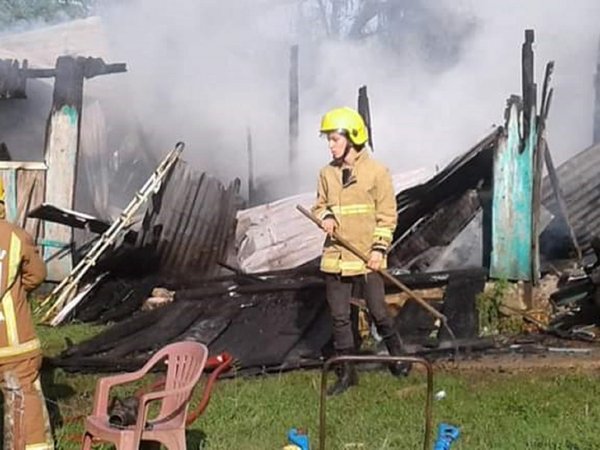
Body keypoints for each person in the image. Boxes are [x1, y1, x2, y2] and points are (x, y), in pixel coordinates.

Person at [312, 107, 411, 396]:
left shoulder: (377, 172)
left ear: (352, 138)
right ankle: (348, 373)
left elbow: (387, 216)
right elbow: (319, 205)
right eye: (328, 140)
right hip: (336, 258)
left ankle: (398, 356)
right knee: (340, 318)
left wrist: (379, 250)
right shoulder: (326, 174)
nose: (330, 146)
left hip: (367, 258)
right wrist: (325, 217)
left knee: (379, 312)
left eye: (334, 139)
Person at [0, 178, 54, 448]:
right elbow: (37, 275)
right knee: (25, 405)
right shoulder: (15, 236)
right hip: (15, 344)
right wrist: (17, 292)